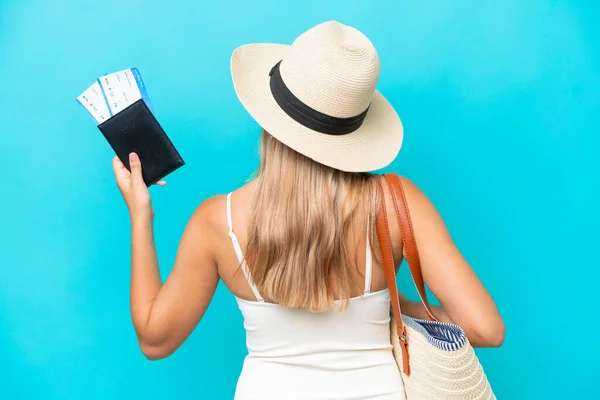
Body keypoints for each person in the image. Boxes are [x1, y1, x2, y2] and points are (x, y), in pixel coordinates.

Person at [112, 21, 504, 400]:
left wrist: (140, 214)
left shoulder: (219, 221)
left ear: (269, 117)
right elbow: (486, 329)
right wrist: (388, 305)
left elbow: (154, 340)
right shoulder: (397, 201)